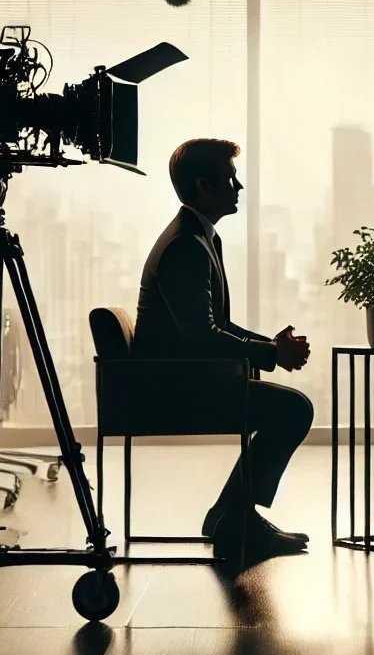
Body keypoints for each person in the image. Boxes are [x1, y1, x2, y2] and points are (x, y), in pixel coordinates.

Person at [133, 138, 314, 562]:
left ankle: (230, 516)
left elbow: (215, 326)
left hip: (184, 379)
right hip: (176, 390)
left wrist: (270, 347)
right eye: (230, 178)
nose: (239, 187)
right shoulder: (185, 246)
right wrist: (271, 355)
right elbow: (201, 336)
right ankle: (237, 519)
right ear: (204, 185)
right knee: (293, 410)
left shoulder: (197, 237)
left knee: (289, 409)